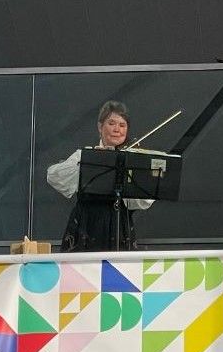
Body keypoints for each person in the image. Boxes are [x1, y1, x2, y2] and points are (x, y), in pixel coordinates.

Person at [47, 100, 154, 252]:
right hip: (87, 226)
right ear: (100, 127)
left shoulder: (131, 158)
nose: (117, 129)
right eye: (111, 123)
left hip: (119, 227)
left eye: (122, 125)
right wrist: (89, 161)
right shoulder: (85, 155)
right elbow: (53, 176)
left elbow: (143, 201)